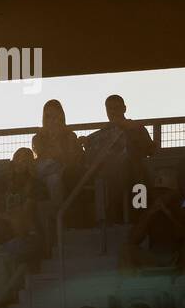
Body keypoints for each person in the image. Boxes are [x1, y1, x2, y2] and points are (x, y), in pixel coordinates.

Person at [83, 95, 154, 224]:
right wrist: (85, 143)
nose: (113, 112)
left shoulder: (136, 127)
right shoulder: (101, 134)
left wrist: (134, 137)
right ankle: (117, 216)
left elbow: (150, 150)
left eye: (116, 108)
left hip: (135, 174)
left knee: (138, 174)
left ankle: (141, 213)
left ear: (124, 109)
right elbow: (91, 157)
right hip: (110, 176)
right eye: (110, 108)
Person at [31, 99, 85, 206]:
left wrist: (58, 142)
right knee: (48, 166)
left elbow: (70, 160)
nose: (52, 120)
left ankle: (58, 212)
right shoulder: (38, 138)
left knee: (53, 178)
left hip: (60, 170)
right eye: (48, 116)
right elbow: (42, 156)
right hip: (45, 169)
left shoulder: (70, 135)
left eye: (55, 116)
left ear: (61, 117)